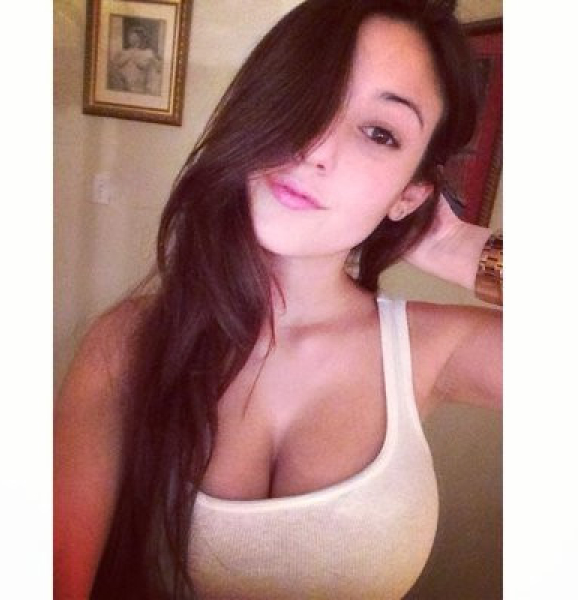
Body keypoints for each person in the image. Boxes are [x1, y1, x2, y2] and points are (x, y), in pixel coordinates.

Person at [54, 0, 502, 598]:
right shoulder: (126, 344)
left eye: (379, 133)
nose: (317, 147)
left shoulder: (435, 348)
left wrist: (462, 250)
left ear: (411, 193)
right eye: (309, 96)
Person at [108, 25, 162, 95]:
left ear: (140, 38)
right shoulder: (123, 52)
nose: (131, 38)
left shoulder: (148, 53)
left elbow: (158, 68)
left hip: (140, 89)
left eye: (134, 36)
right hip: (123, 87)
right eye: (130, 36)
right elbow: (114, 66)